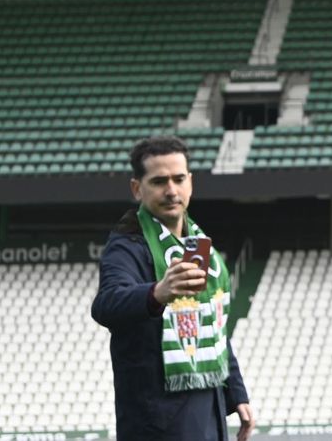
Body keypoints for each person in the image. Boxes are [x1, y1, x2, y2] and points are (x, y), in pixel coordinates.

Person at [91, 135, 253, 441]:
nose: (171, 190)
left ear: (190, 182)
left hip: (209, 409)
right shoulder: (127, 244)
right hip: (157, 419)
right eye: (159, 181)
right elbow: (105, 305)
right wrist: (156, 293)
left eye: (179, 179)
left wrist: (236, 393)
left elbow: (212, 322)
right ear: (137, 188)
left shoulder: (199, 245)